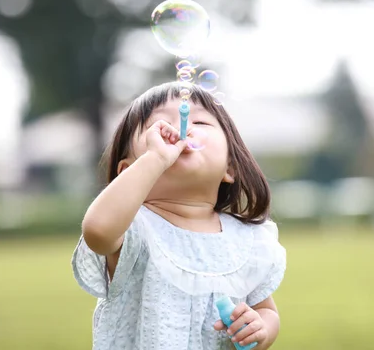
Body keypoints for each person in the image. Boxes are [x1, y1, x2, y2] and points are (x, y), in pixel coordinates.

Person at [71, 82, 287, 350]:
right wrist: (156, 159)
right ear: (129, 171)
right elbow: (98, 232)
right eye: (159, 124)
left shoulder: (248, 242)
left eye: (200, 121)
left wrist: (260, 328)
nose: (182, 127)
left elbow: (267, 311)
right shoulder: (134, 229)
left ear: (229, 167)